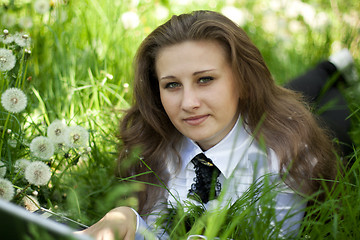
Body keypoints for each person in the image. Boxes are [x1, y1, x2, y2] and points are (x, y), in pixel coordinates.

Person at [78, 10, 354, 240]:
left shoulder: (287, 154)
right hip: (243, 112)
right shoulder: (154, 144)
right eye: (172, 84)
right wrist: (130, 220)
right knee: (292, 90)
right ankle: (329, 67)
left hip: (314, 129)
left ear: (243, 80)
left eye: (205, 79)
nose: (188, 103)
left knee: (334, 104)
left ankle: (334, 74)